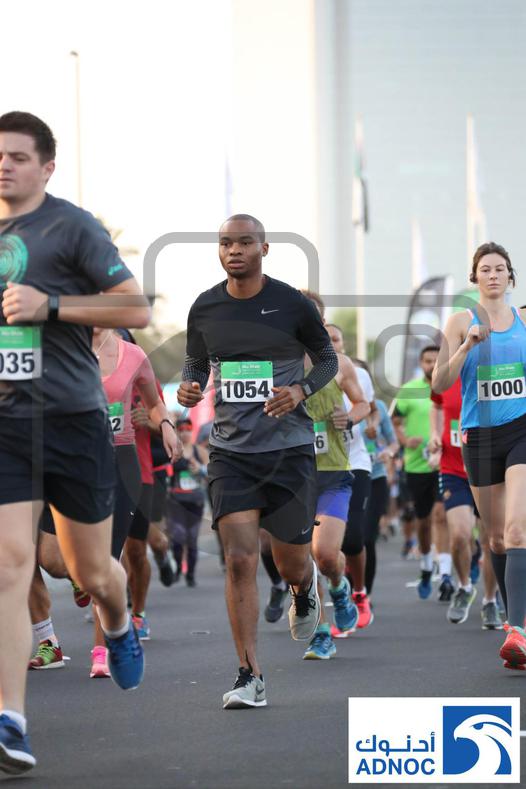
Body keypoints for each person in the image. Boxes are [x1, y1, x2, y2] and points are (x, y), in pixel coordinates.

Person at [0, 111, 155, 774]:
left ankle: (117, 621)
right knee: (9, 566)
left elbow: (135, 307)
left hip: (71, 419)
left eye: (17, 156)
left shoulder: (72, 227)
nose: (4, 165)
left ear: (46, 167)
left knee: (90, 573)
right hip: (6, 423)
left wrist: (52, 306)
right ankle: (11, 719)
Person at [177, 213, 338, 708]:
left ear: (264, 249)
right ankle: (250, 674)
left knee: (291, 561)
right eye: (226, 243)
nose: (234, 250)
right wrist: (189, 386)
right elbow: (196, 362)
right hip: (231, 453)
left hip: (288, 450)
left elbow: (328, 359)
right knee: (240, 559)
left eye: (245, 242)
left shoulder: (291, 304)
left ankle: (304, 587)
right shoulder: (205, 306)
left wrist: (300, 389)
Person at [433, 242, 526, 669]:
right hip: (480, 436)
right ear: (475, 277)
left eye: (500, 268)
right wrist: (466, 346)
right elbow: (440, 383)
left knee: (517, 530)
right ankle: (515, 626)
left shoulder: (523, 320)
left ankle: (517, 630)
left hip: (521, 430)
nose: (493, 275)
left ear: (510, 276)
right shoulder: (459, 322)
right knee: (495, 539)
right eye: (485, 269)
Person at [301, 302, 369, 659]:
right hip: (292, 477)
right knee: (300, 562)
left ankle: (341, 588)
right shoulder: (276, 362)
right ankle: (321, 633)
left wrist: (350, 417)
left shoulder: (339, 364)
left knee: (326, 556)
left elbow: (363, 404)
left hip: (332, 473)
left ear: (321, 320)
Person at [429, 377, 502, 629]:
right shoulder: (448, 375)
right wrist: (434, 435)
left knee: (492, 539)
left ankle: (490, 600)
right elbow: (436, 405)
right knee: (459, 536)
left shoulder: (496, 372)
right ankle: (464, 586)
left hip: (489, 468)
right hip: (454, 470)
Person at [392, 346, 452, 600]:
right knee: (424, 521)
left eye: (436, 360)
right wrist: (405, 440)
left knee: (441, 515)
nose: (432, 365)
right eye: (428, 361)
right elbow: (395, 421)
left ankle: (446, 575)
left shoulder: (451, 384)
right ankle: (427, 566)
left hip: (447, 463)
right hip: (417, 465)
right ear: (421, 363)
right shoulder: (409, 389)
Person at [166, 417, 208, 586]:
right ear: (176, 432)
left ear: (192, 431)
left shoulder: (200, 451)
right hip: (176, 500)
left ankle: (190, 575)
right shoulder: (172, 451)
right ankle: (177, 567)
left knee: (192, 538)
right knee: (178, 537)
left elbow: (211, 472)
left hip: (196, 501)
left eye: (188, 430)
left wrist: (200, 469)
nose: (184, 434)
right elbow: (164, 471)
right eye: (181, 430)